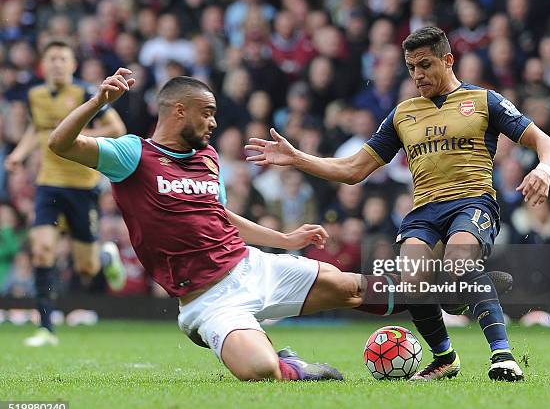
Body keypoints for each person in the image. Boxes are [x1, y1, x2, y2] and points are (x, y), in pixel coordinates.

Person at [47, 70, 417, 381]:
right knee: (261, 370)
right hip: (208, 300)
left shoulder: (208, 158)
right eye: (207, 113)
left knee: (352, 287)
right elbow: (60, 144)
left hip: (250, 266)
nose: (214, 122)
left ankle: (443, 296)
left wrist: (285, 239)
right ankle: (294, 367)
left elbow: (220, 215)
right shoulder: (133, 154)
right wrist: (97, 101)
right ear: (179, 111)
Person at [246, 27, 550, 381]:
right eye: (411, 67)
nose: (417, 75)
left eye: (425, 64)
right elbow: (352, 169)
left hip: (471, 202)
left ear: (448, 60)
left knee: (457, 264)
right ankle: (446, 355)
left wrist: (544, 169)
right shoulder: (402, 114)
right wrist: (297, 158)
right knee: (413, 283)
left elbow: (544, 141)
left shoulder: (484, 101)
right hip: (424, 211)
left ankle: (502, 356)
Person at [4, 40, 127, 347]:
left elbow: (117, 130)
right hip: (48, 183)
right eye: (52, 58)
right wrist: (19, 153)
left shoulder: (87, 93)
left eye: (63, 59)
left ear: (73, 65)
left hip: (83, 186)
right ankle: (46, 327)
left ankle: (105, 257)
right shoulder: (35, 95)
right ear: (44, 65)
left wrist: (78, 135)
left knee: (86, 267)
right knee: (42, 250)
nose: (58, 64)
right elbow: (38, 130)